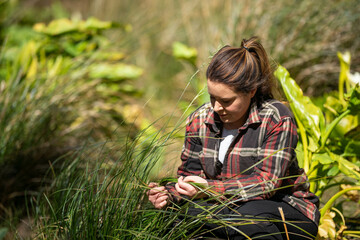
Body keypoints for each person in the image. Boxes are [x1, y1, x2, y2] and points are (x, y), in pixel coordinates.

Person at [147, 37, 320, 239]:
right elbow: (189, 176)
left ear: (251, 91)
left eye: (226, 100)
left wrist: (210, 190)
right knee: (180, 218)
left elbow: (267, 184)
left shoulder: (276, 118)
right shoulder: (199, 119)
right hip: (226, 209)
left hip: (285, 209)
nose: (217, 107)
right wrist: (169, 195)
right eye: (212, 97)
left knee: (246, 218)